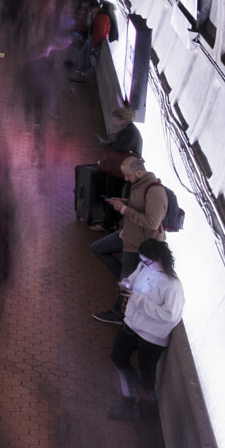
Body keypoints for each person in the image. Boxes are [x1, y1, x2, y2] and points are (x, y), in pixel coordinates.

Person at [110, 240, 185, 419]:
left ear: (159, 259)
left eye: (146, 262)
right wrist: (126, 284)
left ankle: (143, 411)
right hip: (132, 324)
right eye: (142, 261)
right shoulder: (144, 267)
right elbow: (134, 279)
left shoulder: (173, 286)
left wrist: (138, 299)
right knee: (118, 356)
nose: (142, 265)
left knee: (147, 376)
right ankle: (132, 396)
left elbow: (170, 315)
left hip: (151, 338)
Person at [93, 155, 169, 319]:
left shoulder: (155, 191)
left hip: (139, 244)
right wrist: (123, 202)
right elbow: (140, 205)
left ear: (140, 172)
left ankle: (119, 313)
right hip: (128, 235)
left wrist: (124, 210)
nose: (126, 179)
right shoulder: (139, 185)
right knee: (98, 248)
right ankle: (126, 277)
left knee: (126, 283)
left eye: (128, 175)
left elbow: (152, 222)